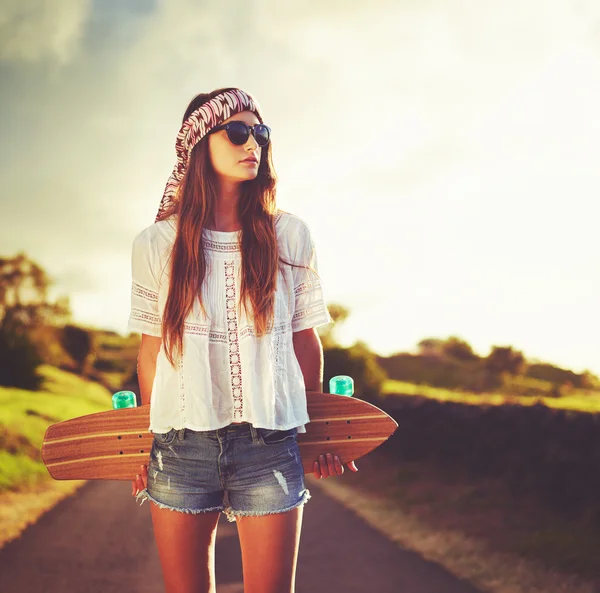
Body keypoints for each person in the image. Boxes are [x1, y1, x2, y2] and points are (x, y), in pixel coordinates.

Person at [127, 87, 358, 593]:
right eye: (236, 131)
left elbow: (304, 342)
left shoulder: (289, 236)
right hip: (179, 447)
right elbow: (152, 352)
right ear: (197, 145)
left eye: (260, 132)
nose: (252, 142)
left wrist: (320, 433)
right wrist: (141, 445)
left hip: (270, 446)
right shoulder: (155, 244)